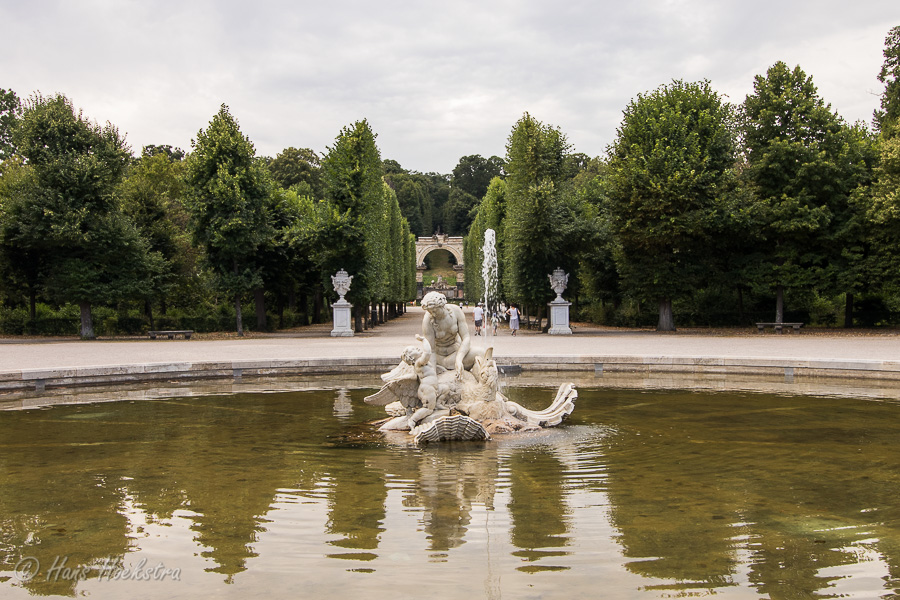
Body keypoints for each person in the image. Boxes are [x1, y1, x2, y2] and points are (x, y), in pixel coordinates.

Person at [421, 291, 483, 379]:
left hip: (457, 353)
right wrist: (433, 375)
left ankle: (480, 382)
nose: (433, 314)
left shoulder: (456, 311)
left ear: (442, 306)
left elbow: (466, 338)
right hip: (441, 358)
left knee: (481, 352)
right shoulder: (427, 321)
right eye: (430, 312)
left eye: (435, 311)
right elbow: (431, 351)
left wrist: (459, 359)